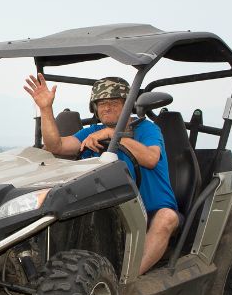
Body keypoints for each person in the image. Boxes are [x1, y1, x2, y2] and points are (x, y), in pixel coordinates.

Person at [23, 74, 179, 275]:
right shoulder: (92, 131)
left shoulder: (146, 128)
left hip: (149, 210)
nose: (106, 107)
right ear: (94, 107)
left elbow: (150, 158)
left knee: (167, 218)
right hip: (109, 210)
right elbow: (56, 146)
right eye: (101, 103)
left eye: (114, 102)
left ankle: (127, 281)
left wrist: (112, 136)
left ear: (127, 105)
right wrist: (46, 109)